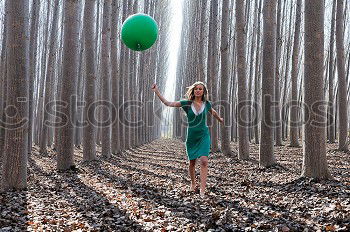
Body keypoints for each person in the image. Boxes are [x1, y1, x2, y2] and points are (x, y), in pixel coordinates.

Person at [151, 81, 224, 198]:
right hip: (191, 137)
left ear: (204, 91)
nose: (198, 90)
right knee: (192, 162)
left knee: (204, 161)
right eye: (196, 89)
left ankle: (202, 190)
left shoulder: (207, 104)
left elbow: (213, 112)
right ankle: (193, 182)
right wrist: (157, 92)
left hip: (204, 135)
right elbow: (168, 103)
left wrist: (220, 119)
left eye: (200, 89)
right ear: (193, 91)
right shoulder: (186, 103)